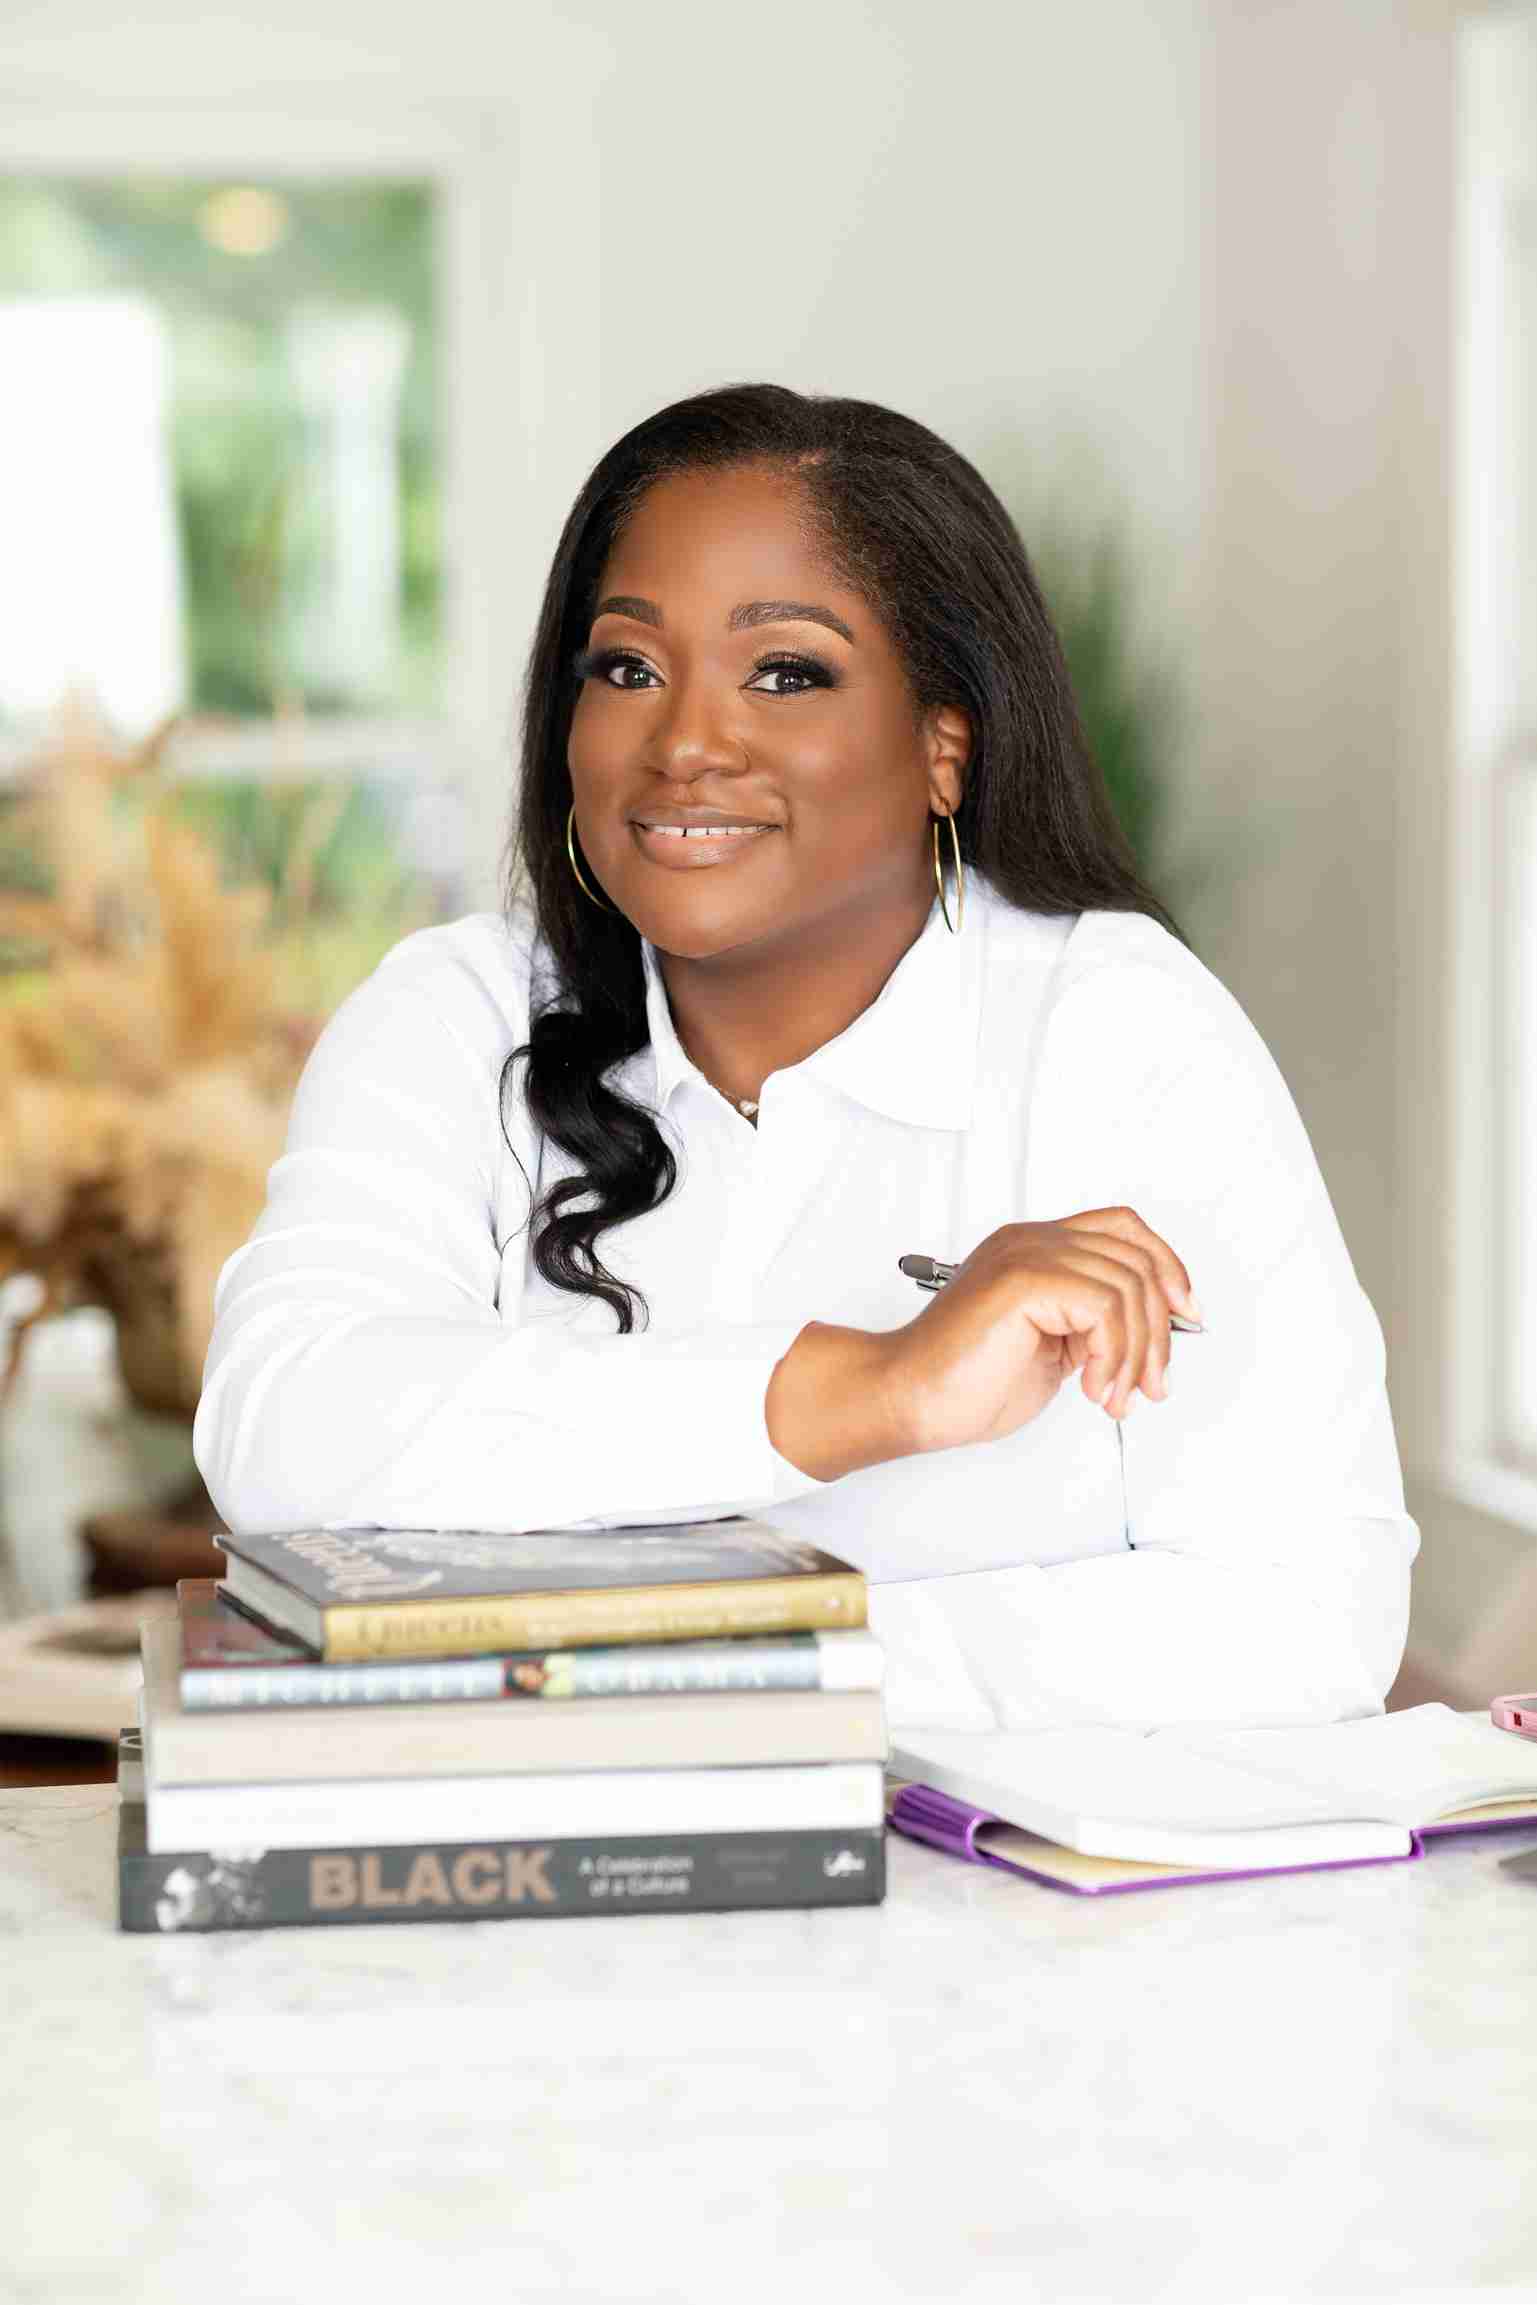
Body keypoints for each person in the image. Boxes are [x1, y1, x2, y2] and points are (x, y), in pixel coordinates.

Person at [192, 382, 1418, 1732]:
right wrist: (867, 1388)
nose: (685, 745)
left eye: (786, 672)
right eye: (626, 669)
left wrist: (683, 1664)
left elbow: (1304, 1615)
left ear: (944, 747)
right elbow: (282, 1434)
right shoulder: (459, 1013)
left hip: (979, 1873)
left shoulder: (1118, 1027)